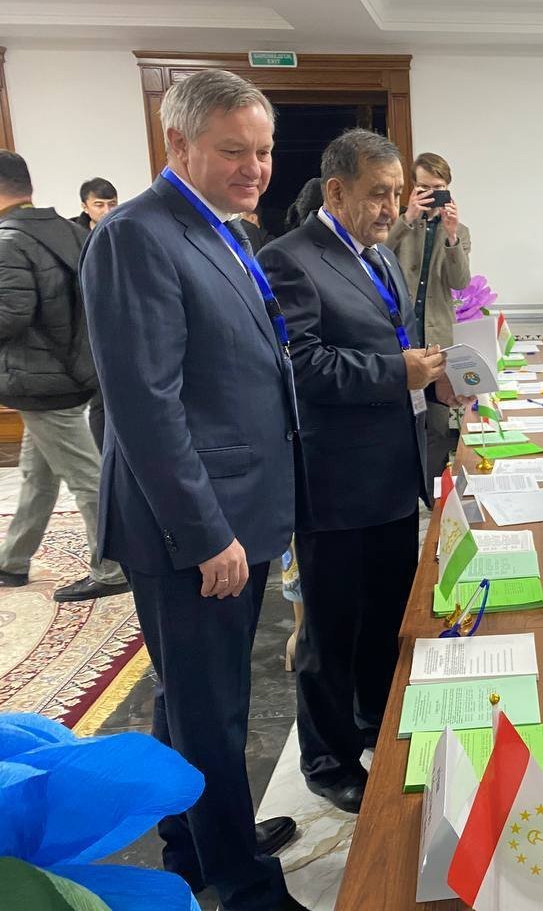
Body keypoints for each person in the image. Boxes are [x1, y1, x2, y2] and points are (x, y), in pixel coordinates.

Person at [80, 69, 305, 911]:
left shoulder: (218, 226)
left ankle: (196, 841)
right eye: (234, 150)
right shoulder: (137, 235)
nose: (257, 168)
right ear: (177, 144)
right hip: (193, 525)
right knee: (214, 712)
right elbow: (145, 405)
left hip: (236, 507)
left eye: (265, 150)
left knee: (191, 698)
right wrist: (206, 533)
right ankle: (242, 884)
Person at [258, 129, 457, 816]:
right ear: (337, 190)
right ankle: (328, 759)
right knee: (332, 629)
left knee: (385, 617)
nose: (391, 208)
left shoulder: (382, 258)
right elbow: (301, 366)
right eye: (378, 194)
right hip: (337, 480)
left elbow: (397, 344)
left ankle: (376, 719)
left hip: (393, 472)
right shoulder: (290, 259)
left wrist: (433, 379)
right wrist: (396, 372)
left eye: (397, 194)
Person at [0, 151, 127, 603]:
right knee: (37, 475)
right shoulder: (67, 230)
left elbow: (11, 314)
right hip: (73, 372)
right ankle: (13, 561)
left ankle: (112, 569)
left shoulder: (8, 240)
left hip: (43, 381)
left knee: (87, 477)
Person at [386, 151, 471, 490]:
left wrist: (451, 237)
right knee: (399, 421)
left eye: (438, 188)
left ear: (448, 188)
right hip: (399, 341)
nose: (431, 194)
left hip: (437, 341)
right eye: (423, 187)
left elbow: (459, 281)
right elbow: (377, 256)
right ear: (412, 187)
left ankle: (432, 493)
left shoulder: (460, 231)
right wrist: (407, 217)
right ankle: (403, 488)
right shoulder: (399, 224)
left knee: (437, 425)